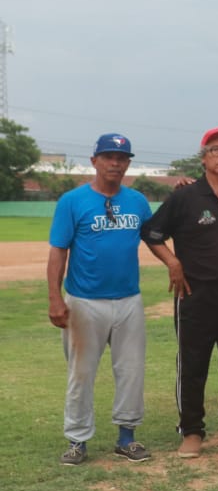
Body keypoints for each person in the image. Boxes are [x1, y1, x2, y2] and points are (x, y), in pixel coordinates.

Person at [142, 127, 218, 459]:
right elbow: (151, 233)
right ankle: (191, 431)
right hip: (195, 294)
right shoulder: (185, 196)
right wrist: (173, 263)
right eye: (217, 149)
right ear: (204, 157)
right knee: (192, 365)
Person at [48, 133, 154, 465]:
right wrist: (54, 298)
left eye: (121, 158)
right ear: (94, 161)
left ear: (128, 164)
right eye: (108, 157)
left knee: (132, 370)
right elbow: (58, 252)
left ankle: (127, 437)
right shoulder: (72, 201)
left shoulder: (137, 201)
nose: (115, 163)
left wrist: (180, 197)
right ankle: (77, 439)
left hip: (128, 300)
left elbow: (157, 236)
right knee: (81, 372)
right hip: (83, 301)